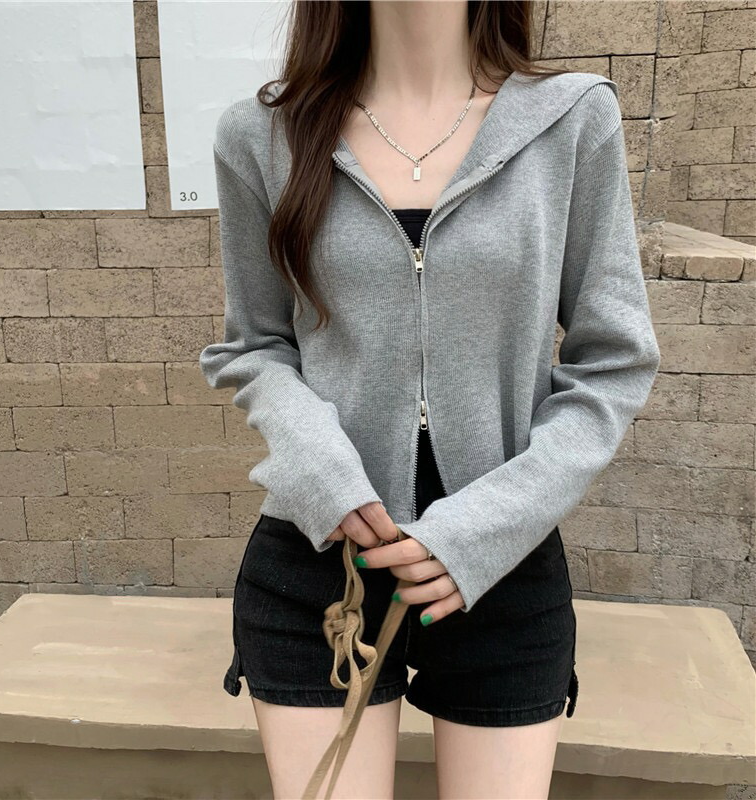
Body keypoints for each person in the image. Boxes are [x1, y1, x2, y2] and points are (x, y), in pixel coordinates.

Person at [199, 1, 661, 797]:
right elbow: (256, 345)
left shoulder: (572, 121)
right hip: (324, 562)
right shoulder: (262, 136)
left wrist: (483, 527)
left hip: (502, 557)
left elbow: (614, 361)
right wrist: (322, 469)